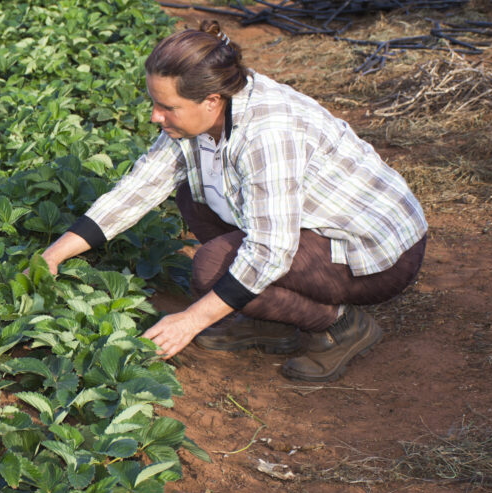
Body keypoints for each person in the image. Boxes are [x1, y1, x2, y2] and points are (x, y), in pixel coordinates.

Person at [39, 20, 427, 382]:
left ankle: (341, 326)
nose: (155, 117)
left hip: (375, 251)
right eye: (153, 102)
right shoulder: (200, 116)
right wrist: (53, 256)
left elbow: (269, 252)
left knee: (212, 269)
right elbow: (140, 186)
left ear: (210, 100)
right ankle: (268, 320)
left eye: (167, 107)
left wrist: (190, 320)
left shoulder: (266, 133)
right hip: (310, 228)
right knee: (192, 194)